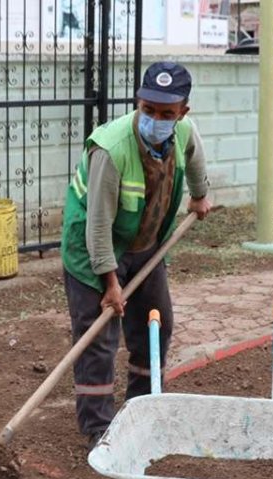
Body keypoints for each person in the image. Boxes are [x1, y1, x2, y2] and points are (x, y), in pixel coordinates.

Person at [60, 61, 212, 449]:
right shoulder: (110, 150)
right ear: (138, 102)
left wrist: (199, 194)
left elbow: (194, 157)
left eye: (166, 114)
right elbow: (97, 227)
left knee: (154, 326)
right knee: (98, 338)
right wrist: (110, 284)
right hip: (92, 248)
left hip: (145, 245)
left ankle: (140, 410)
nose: (156, 119)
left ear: (182, 113)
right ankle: (99, 430)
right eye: (148, 110)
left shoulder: (183, 132)